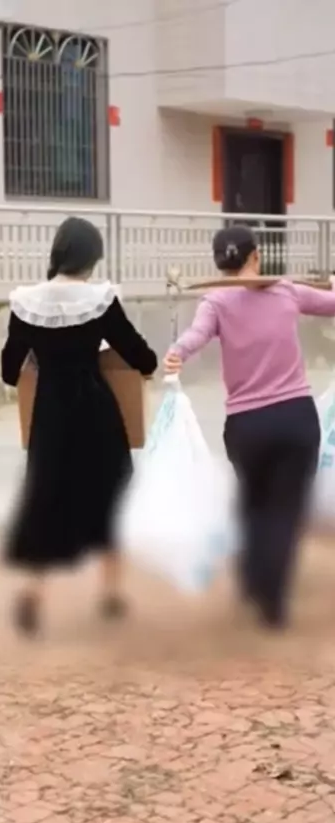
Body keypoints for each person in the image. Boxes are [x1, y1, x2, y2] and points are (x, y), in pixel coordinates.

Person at [164, 225, 335, 629]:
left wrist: (177, 353)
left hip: (247, 426)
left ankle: (254, 582)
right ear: (256, 256)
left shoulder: (215, 301)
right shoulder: (287, 291)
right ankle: (271, 598)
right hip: (295, 420)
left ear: (220, 262)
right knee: (283, 510)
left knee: (254, 505)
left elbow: (195, 336)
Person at [1, 216, 157, 635]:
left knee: (46, 500)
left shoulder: (26, 303)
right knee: (110, 496)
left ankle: (32, 591)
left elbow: (9, 370)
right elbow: (141, 356)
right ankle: (111, 592)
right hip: (96, 411)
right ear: (92, 257)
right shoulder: (100, 300)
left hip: (50, 416)